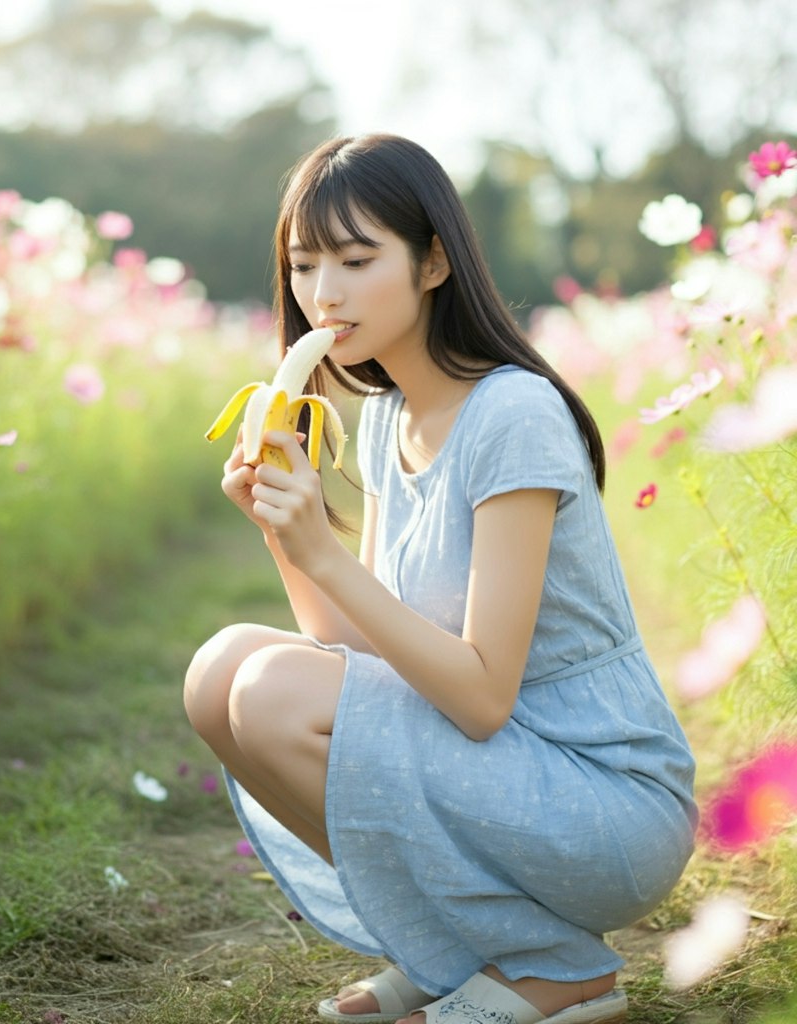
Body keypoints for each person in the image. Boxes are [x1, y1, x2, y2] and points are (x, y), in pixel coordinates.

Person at [183, 133, 697, 1024]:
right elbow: (358, 651)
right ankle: (455, 949)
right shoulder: (387, 417)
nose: (322, 295)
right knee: (219, 675)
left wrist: (325, 552)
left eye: (354, 259)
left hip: (602, 799)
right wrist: (283, 532)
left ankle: (554, 965)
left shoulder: (513, 415)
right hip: (499, 774)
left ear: (433, 264)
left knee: (265, 689)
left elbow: (483, 695)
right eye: (303, 266)